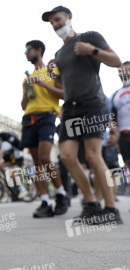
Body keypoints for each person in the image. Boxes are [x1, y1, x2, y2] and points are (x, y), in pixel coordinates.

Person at [42, 6, 122, 224]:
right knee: (66, 156)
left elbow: (116, 60)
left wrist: (92, 51)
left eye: (58, 19)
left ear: (69, 17)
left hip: (92, 104)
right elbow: (63, 85)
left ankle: (111, 209)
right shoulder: (59, 54)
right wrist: (52, 74)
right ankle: (92, 205)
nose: (56, 25)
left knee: (92, 156)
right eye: (52, 23)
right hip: (70, 108)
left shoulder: (90, 37)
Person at [20, 40, 69, 218]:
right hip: (28, 119)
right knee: (36, 162)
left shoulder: (51, 71)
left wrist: (42, 84)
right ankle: (45, 201)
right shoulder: (27, 78)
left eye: (28, 50)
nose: (26, 53)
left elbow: (63, 94)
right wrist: (26, 90)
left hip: (47, 117)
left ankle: (61, 194)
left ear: (39, 50)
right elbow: (24, 105)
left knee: (44, 157)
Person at [109, 61, 130, 193]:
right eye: (121, 71)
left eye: (127, 70)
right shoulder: (114, 95)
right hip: (124, 135)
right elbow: (110, 118)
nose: (124, 73)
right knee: (128, 165)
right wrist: (115, 133)